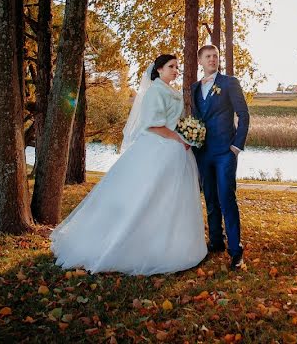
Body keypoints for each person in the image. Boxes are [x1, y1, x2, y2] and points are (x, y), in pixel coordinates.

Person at [50, 54, 206, 275]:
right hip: (159, 148)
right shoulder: (155, 91)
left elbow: (174, 121)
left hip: (175, 148)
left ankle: (170, 243)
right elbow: (153, 125)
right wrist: (179, 138)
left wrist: (187, 133)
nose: (175, 70)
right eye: (171, 66)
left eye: (177, 67)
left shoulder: (171, 91)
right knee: (146, 196)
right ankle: (125, 244)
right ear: (159, 69)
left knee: (169, 198)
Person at [191, 45, 250, 270]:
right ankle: (216, 241)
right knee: (211, 199)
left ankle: (236, 251)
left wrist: (236, 145)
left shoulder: (229, 83)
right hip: (203, 152)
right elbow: (197, 118)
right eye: (208, 56)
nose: (213, 59)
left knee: (226, 198)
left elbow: (243, 115)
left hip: (226, 151)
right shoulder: (195, 87)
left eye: (215, 56)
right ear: (200, 61)